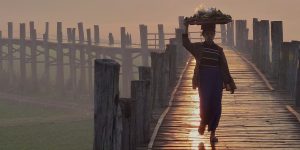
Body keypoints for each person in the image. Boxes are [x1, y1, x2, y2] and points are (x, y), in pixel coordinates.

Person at [182, 22, 237, 143]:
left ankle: (213, 133)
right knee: (204, 103)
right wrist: (185, 27)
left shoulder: (218, 50)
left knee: (216, 106)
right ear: (203, 35)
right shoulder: (198, 48)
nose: (209, 36)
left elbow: (224, 67)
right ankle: (203, 122)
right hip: (204, 79)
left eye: (211, 34)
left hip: (216, 80)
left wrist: (229, 82)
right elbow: (186, 44)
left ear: (214, 35)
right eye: (207, 34)